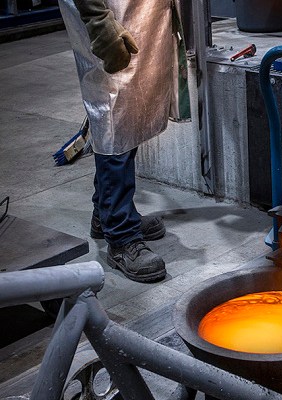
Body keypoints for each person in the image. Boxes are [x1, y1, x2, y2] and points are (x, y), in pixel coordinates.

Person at [58, 0, 191, 282]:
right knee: (113, 117)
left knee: (129, 113)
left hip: (138, 12)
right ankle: (121, 237)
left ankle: (107, 213)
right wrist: (97, 18)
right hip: (108, 11)